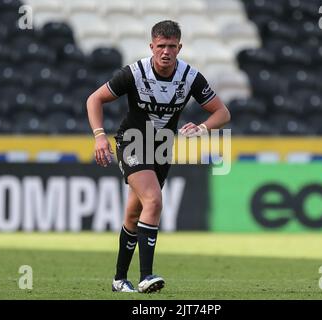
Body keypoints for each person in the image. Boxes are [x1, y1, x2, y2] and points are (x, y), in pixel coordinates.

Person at [86, 20, 230, 293]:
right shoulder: (134, 73)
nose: (166, 51)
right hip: (131, 141)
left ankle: (119, 280)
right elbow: (94, 99)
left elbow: (222, 113)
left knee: (134, 212)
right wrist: (99, 135)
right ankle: (146, 276)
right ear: (151, 47)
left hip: (162, 147)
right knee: (153, 200)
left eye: (171, 46)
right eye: (161, 46)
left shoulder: (190, 77)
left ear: (180, 47)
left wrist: (202, 128)